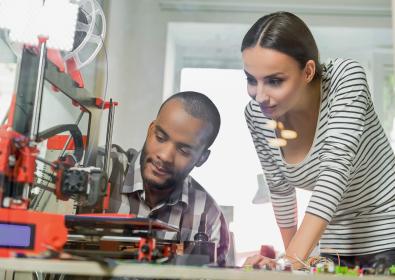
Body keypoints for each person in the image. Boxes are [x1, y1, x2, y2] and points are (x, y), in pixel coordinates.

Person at [242, 11, 395, 269]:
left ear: (308, 71)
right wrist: (291, 262)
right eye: (250, 79)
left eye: (274, 81)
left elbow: (334, 172)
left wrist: (289, 262)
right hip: (334, 245)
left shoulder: (345, 80)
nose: (259, 95)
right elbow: (280, 191)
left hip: (387, 232)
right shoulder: (257, 116)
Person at [107, 91, 229, 265]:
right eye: (160, 137)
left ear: (202, 158)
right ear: (150, 131)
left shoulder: (208, 217)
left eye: (184, 151)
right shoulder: (103, 170)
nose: (164, 156)